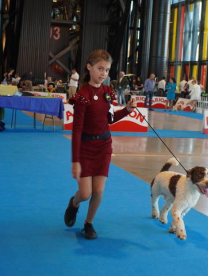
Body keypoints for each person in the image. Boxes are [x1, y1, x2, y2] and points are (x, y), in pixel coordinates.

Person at [64, 49, 137, 240]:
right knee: (86, 193)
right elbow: (76, 130)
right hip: (85, 148)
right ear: (89, 68)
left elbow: (109, 119)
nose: (103, 73)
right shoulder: (82, 95)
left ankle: (88, 223)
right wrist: (75, 161)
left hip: (104, 146)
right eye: (100, 68)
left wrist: (127, 110)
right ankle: (74, 202)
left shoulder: (108, 92)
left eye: (107, 70)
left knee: (98, 190)